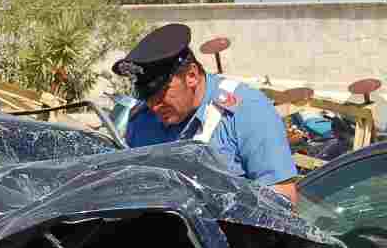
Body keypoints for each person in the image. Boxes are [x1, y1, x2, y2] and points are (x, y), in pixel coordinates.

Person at [113, 23, 298, 205]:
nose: (154, 107)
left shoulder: (247, 111)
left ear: (191, 76)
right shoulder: (141, 121)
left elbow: (282, 198)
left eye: (161, 95)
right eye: (147, 97)